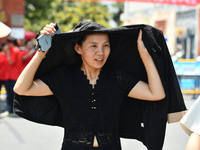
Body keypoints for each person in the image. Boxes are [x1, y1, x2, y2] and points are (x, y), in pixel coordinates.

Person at [14, 21, 165, 150]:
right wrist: (41, 52)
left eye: (106, 45)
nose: (101, 52)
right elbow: (21, 89)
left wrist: (144, 54)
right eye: (93, 46)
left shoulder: (117, 78)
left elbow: (156, 94)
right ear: (78, 48)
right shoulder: (64, 78)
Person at [6, 37, 22, 115]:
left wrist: (8, 52)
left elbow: (11, 62)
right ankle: (11, 110)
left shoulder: (14, 50)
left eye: (8, 43)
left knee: (11, 94)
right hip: (13, 75)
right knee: (11, 94)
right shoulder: (17, 49)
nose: (7, 45)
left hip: (13, 75)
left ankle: (11, 110)